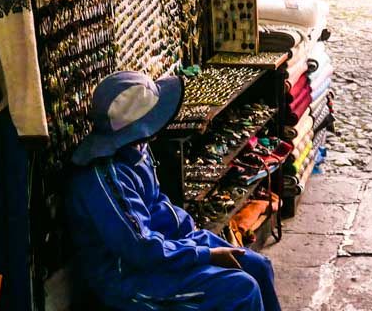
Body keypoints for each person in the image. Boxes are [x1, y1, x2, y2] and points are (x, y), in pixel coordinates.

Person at [66, 71, 281, 311]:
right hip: (127, 278)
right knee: (241, 289)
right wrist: (205, 255)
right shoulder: (103, 179)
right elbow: (140, 247)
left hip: (163, 249)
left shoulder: (137, 151)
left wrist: (196, 239)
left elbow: (159, 207)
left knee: (258, 266)